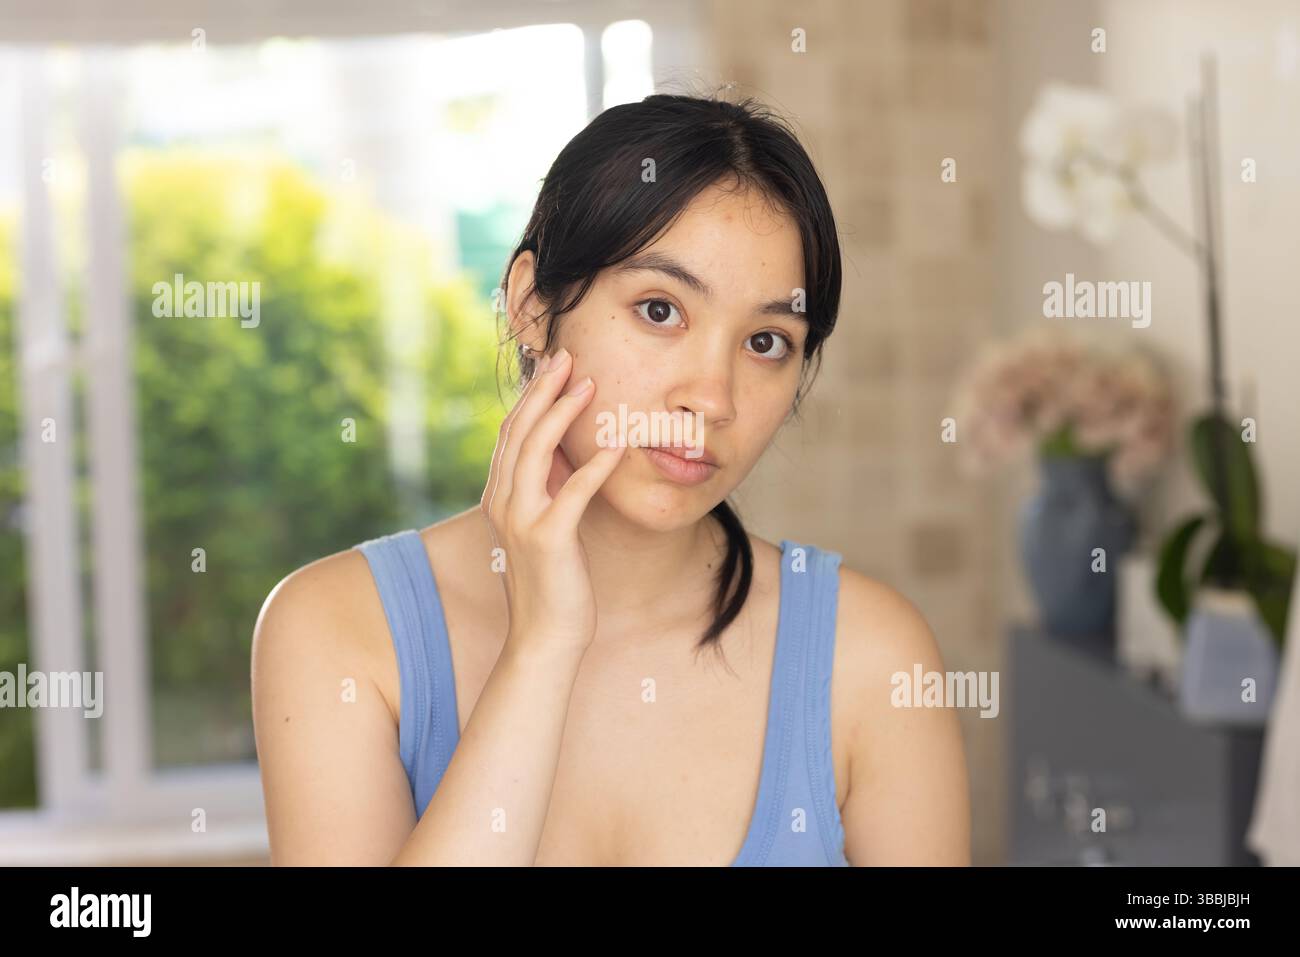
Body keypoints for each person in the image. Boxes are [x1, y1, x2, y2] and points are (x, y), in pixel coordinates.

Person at [252, 91, 971, 866]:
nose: (713, 397)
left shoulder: (873, 659)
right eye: (660, 310)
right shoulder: (335, 632)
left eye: (766, 340)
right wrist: (543, 644)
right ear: (531, 303)